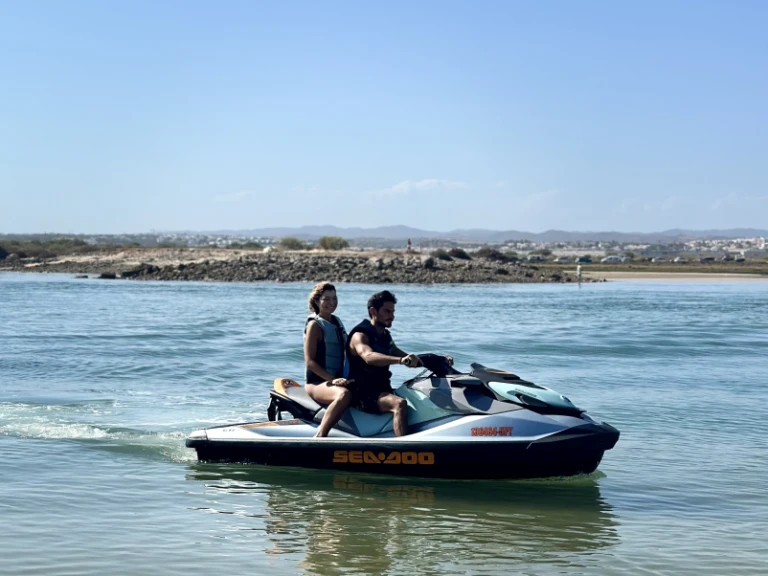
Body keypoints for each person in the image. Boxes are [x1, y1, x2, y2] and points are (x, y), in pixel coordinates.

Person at [347, 290, 447, 436]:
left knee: (416, 395)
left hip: (381, 389)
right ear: (373, 311)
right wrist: (400, 361)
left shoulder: (385, 337)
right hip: (362, 393)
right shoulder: (360, 335)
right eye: (387, 311)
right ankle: (404, 445)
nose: (392, 316)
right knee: (399, 404)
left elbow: (408, 357)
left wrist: (439, 360)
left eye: (393, 311)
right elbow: (368, 356)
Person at [304, 282, 351, 437]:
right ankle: (320, 436)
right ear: (317, 301)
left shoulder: (336, 322)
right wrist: (332, 379)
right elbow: (310, 361)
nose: (332, 302)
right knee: (344, 395)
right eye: (326, 299)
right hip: (317, 383)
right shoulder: (315, 325)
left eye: (334, 298)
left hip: (337, 380)